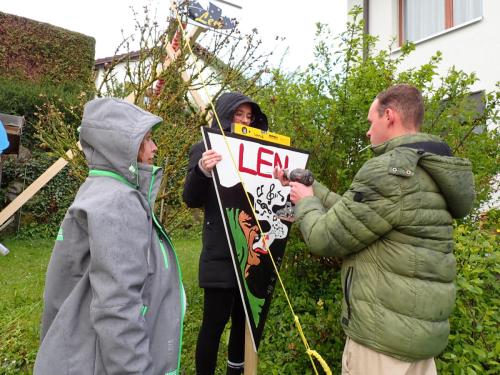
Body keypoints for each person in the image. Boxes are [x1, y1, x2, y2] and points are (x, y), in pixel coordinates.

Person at [275, 84, 475, 375]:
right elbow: (357, 215)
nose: (368, 132)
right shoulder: (426, 168)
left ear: (389, 116)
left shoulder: (389, 171)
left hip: (381, 343)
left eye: (371, 122)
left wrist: (304, 203)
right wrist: (310, 187)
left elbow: (324, 237)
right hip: (416, 339)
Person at [34, 98, 185, 375]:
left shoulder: (97, 188)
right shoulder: (118, 202)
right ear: (121, 145)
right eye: (147, 139)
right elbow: (118, 308)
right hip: (97, 363)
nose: (154, 148)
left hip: (77, 353)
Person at [183, 92, 268, 375]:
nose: (244, 121)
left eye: (249, 117)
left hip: (251, 254)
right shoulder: (204, 150)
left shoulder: (259, 154)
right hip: (220, 253)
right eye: (238, 115)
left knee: (242, 324)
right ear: (224, 115)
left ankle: (236, 371)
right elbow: (191, 198)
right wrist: (201, 171)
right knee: (213, 324)